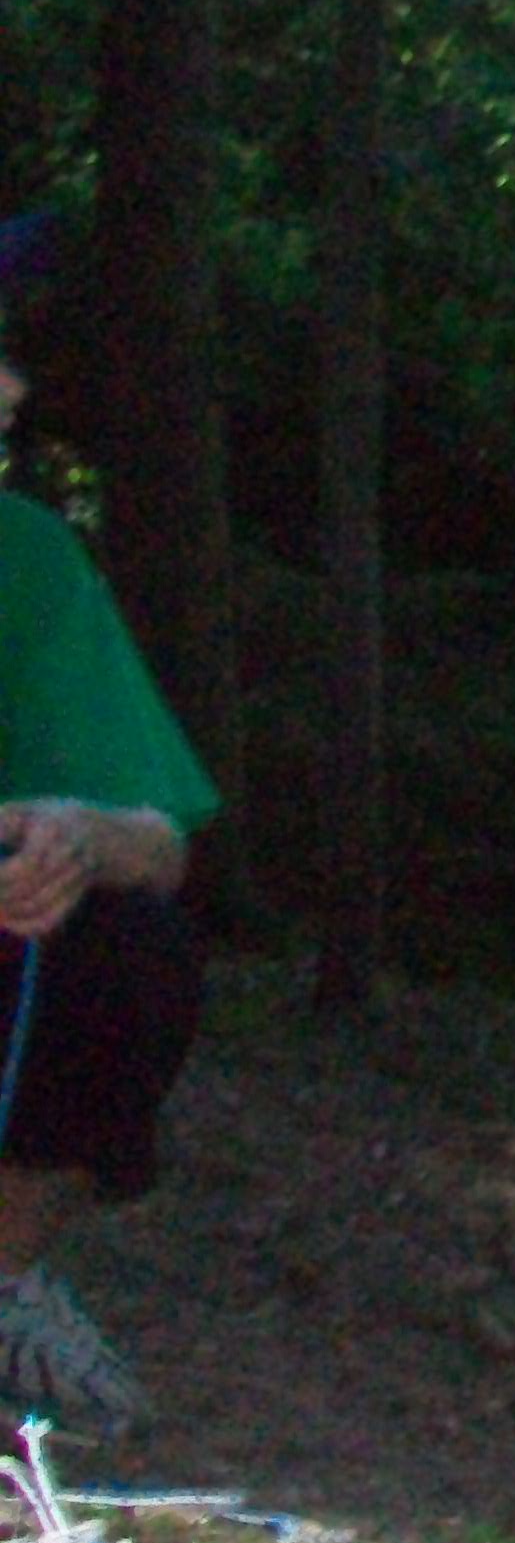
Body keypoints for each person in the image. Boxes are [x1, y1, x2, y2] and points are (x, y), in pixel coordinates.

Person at [0, 340, 218, 1445]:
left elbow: (160, 840)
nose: (12, 391)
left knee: (130, 947)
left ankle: (4, 1284)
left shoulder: (26, 558)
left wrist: (75, 838)